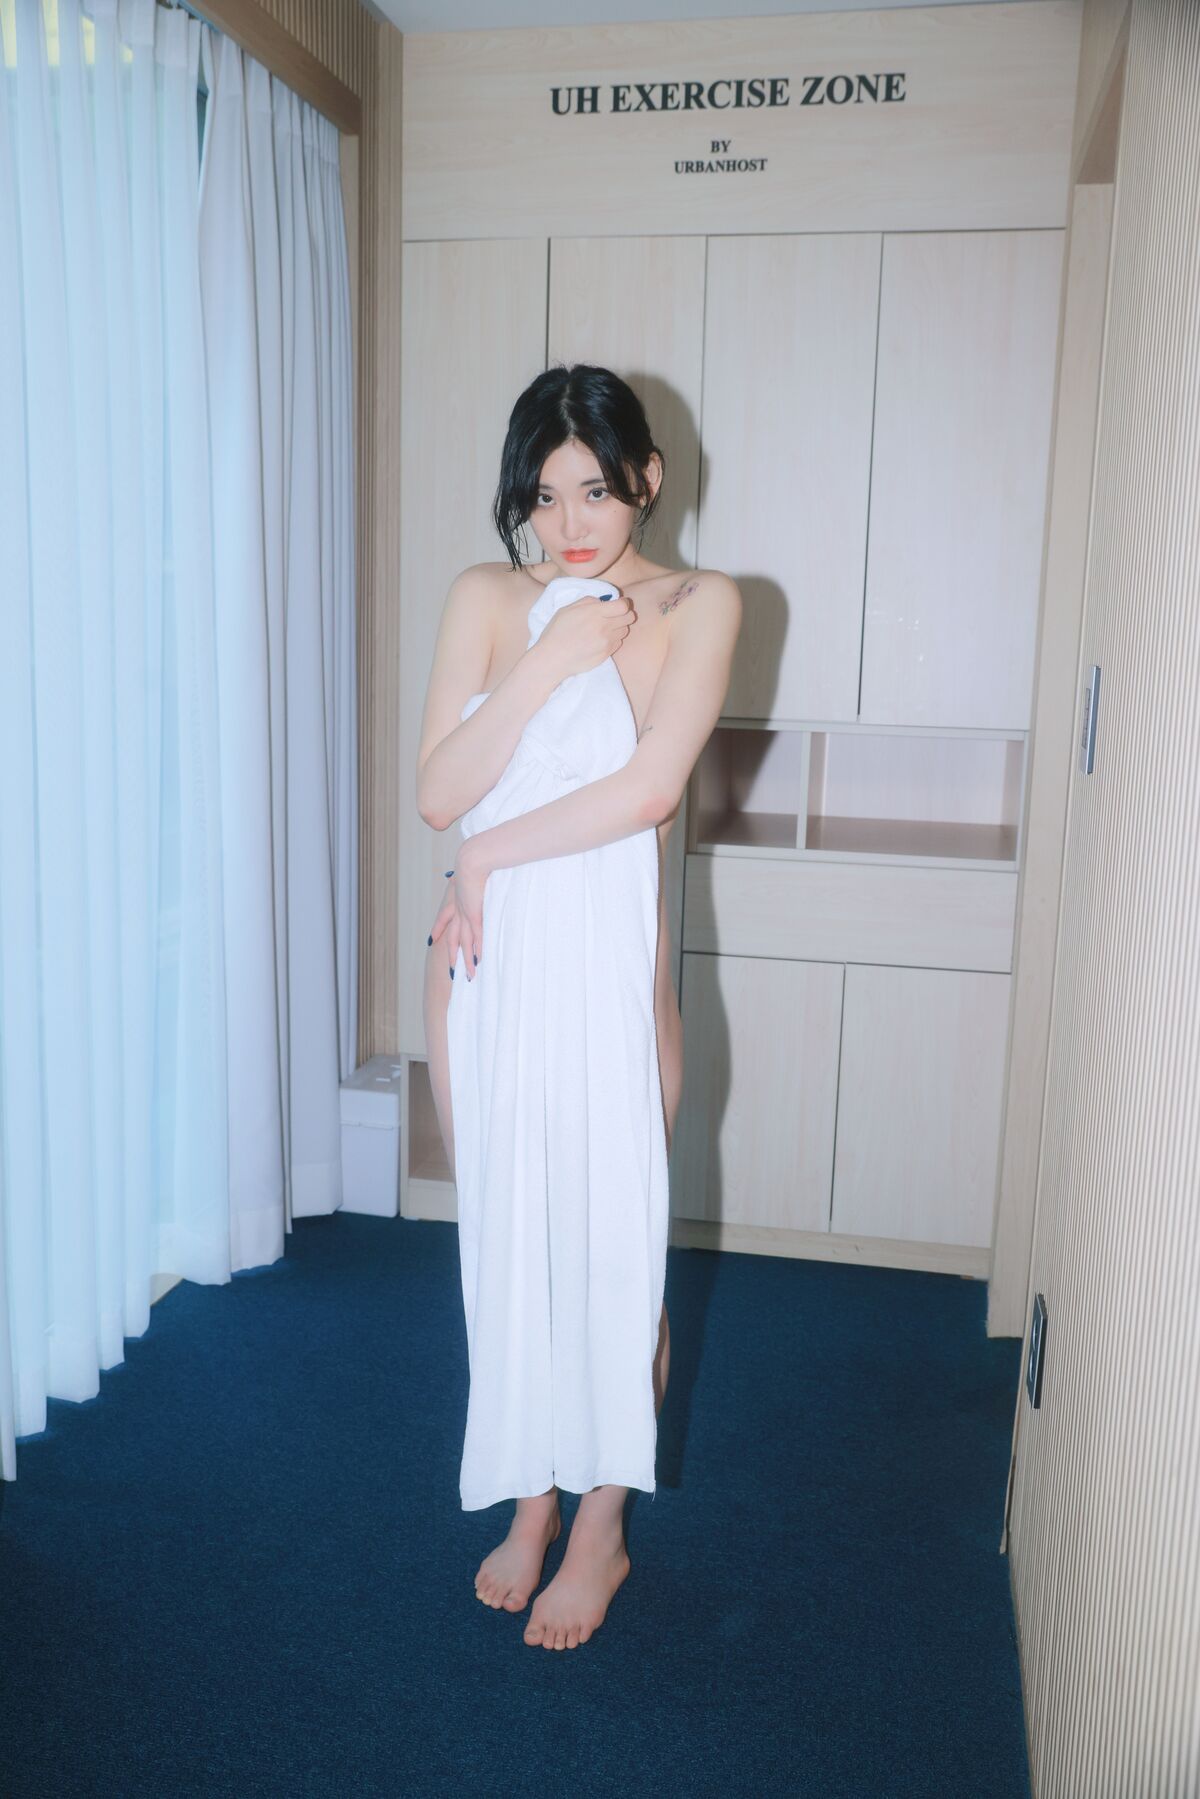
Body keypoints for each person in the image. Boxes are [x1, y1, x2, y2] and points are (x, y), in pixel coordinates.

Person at [416, 364, 741, 1651]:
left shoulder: (701, 603)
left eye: (596, 489)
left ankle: (602, 1521)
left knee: (616, 1265)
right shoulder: (488, 599)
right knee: (510, 1255)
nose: (570, 524)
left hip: (610, 987)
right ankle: (535, 1496)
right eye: (545, 496)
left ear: (646, 479)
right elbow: (441, 791)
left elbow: (649, 789)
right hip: (486, 982)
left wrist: (488, 858)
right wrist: (550, 658)